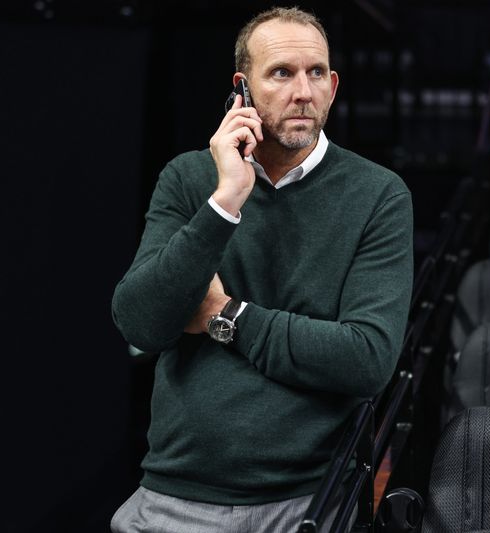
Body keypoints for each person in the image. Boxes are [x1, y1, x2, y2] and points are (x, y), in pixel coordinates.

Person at [110, 6, 413, 532]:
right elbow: (140, 324)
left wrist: (225, 314)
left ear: (333, 86)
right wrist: (226, 201)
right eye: (281, 73)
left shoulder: (378, 195)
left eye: (315, 73)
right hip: (177, 495)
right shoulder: (190, 179)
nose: (303, 92)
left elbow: (366, 358)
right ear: (242, 89)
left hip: (308, 502)